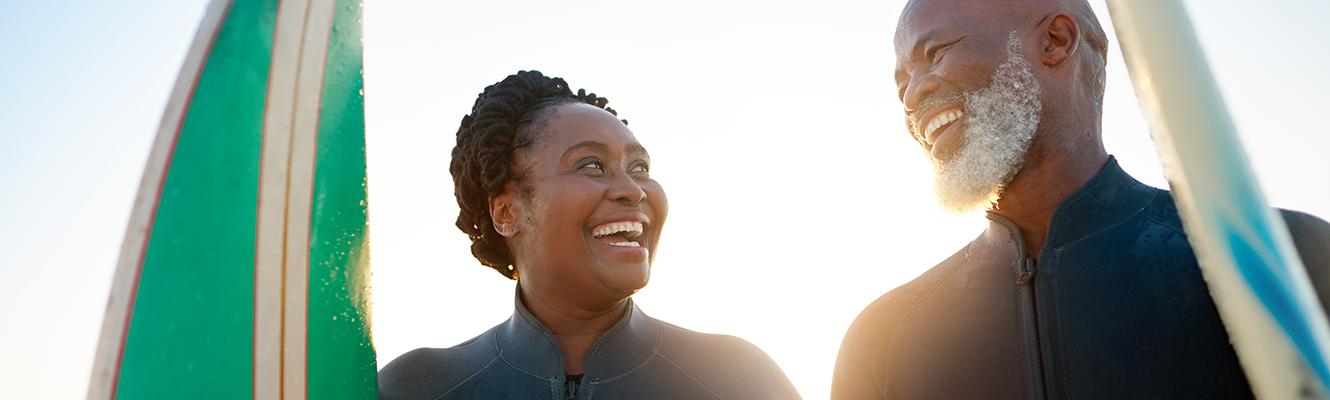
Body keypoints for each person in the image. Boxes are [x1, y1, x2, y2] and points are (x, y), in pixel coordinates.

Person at [830, 0, 1330, 399]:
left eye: (935, 52)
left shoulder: (1280, 258)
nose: (913, 95)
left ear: (1055, 40)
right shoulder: (882, 344)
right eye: (901, 85)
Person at [378, 70, 802, 400]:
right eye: (592, 166)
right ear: (507, 213)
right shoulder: (416, 387)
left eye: (640, 168)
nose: (633, 190)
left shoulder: (737, 378)